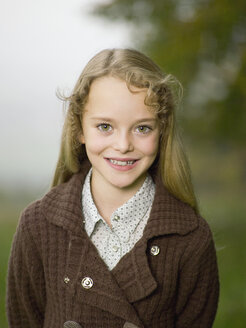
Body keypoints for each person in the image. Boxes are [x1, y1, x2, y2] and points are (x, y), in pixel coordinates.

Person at [6, 48, 219, 328]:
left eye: (142, 128)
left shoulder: (191, 238)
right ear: (80, 128)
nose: (122, 145)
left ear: (162, 130)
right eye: (105, 126)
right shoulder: (37, 225)